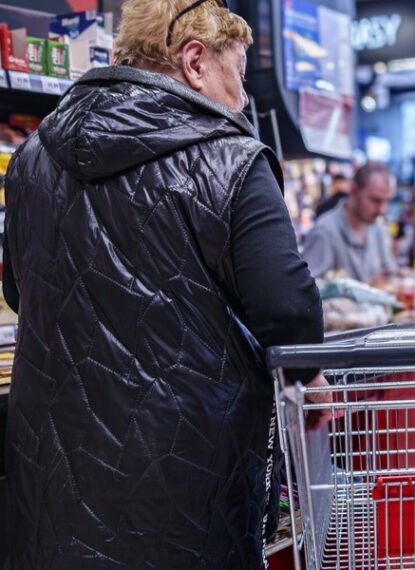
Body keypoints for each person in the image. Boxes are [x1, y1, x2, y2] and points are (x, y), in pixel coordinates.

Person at [2, 1, 327, 567]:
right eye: (240, 76)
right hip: (186, 477)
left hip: (53, 475)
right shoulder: (233, 160)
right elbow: (289, 309)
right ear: (195, 62)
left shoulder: (30, 158)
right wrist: (309, 377)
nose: (245, 98)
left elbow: (16, 289)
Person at [303, 161, 398, 283]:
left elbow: (390, 273)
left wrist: (399, 276)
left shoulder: (378, 227)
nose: (383, 210)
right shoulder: (325, 232)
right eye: (375, 200)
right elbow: (307, 292)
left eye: (387, 201)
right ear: (353, 191)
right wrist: (366, 288)